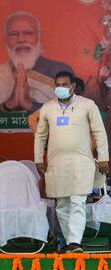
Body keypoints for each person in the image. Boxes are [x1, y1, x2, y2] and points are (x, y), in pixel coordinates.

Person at [34, 71, 109, 253]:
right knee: (61, 205)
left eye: (64, 84)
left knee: (77, 201)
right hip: (56, 163)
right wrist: (38, 159)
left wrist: (104, 157)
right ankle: (71, 244)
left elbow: (99, 131)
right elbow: (40, 135)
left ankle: (75, 242)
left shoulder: (87, 105)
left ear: (73, 86)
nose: (61, 88)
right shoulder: (48, 107)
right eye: (57, 84)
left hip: (81, 162)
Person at [0, 11, 73, 112]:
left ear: (39, 37)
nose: (21, 40)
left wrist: (30, 105)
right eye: (13, 34)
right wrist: (8, 105)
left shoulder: (59, 72)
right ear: (5, 40)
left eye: (28, 33)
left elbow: (71, 115)